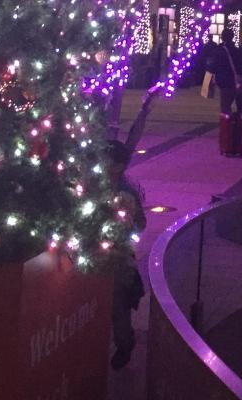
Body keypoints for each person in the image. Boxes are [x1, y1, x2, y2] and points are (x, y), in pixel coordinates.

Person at [103, 140, 147, 370]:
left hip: (118, 258)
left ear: (119, 166)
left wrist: (123, 230)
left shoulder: (125, 193)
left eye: (107, 161)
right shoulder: (94, 187)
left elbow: (140, 223)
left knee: (118, 303)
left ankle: (124, 343)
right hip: (97, 254)